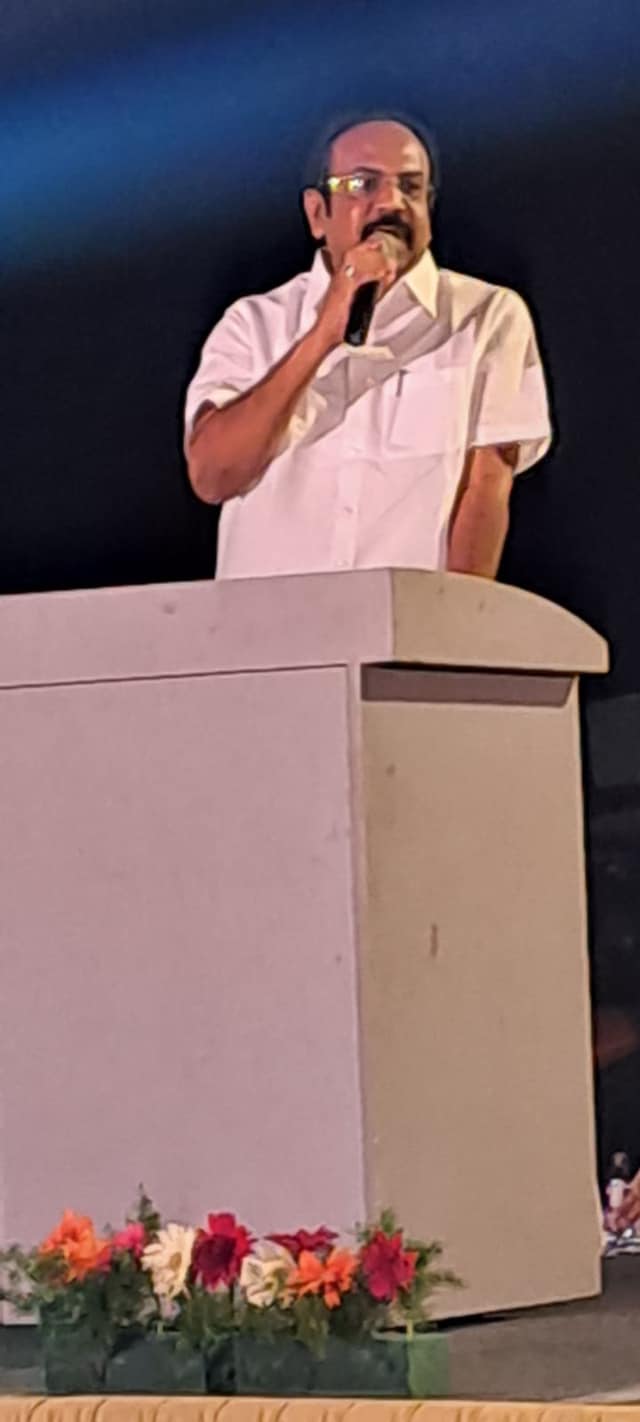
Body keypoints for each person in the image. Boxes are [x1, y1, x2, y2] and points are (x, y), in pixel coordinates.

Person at [185, 113, 551, 580]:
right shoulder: (254, 324)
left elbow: (485, 492)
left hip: (407, 623)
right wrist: (323, 334)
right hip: (269, 624)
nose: (392, 203)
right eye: (363, 184)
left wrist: (457, 622)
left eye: (411, 187)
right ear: (317, 214)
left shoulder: (485, 316)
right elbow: (213, 477)